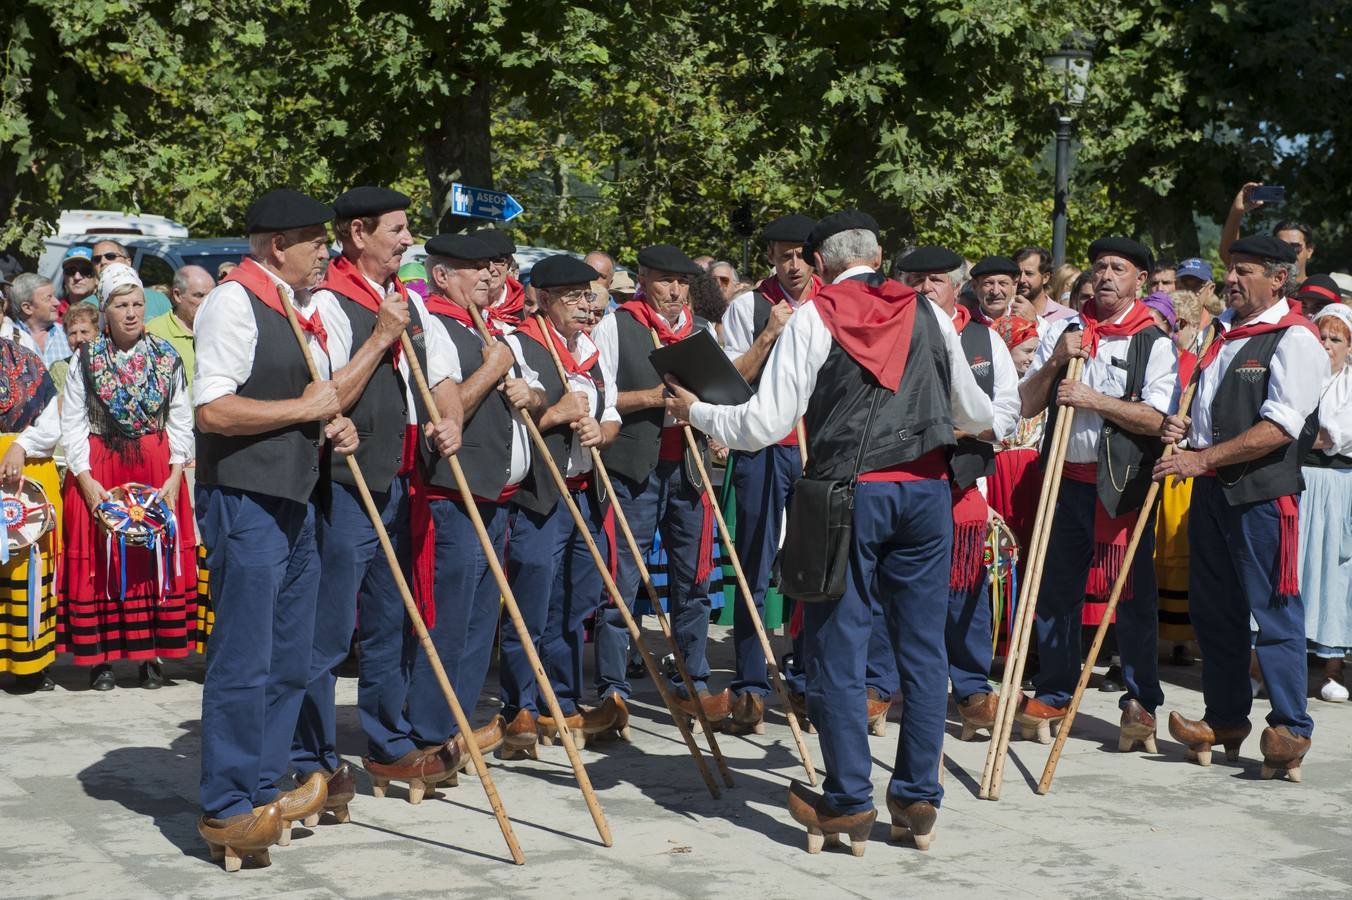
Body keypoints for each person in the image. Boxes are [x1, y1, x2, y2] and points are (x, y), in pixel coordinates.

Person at [666, 209, 993, 855]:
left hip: (849, 495)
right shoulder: (930, 313)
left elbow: (764, 424)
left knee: (839, 649)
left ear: (821, 263)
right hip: (928, 495)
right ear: (880, 254)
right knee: (923, 647)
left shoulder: (816, 313)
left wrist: (695, 410)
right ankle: (918, 796)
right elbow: (975, 413)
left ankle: (848, 803)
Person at [193, 189, 358, 869]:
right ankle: (227, 805)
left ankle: (264, 786)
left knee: (292, 653)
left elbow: (300, 404)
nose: (326, 249)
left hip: (296, 494)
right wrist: (305, 406)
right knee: (244, 655)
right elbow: (215, 411)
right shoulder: (233, 301)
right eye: (313, 239)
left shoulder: (293, 306)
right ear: (275, 246)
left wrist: (327, 422)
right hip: (246, 499)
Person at [295, 187, 464, 819]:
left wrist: (450, 421)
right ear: (358, 233)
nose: (408, 240)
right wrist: (382, 334)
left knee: (392, 619)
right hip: (342, 488)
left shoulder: (410, 302)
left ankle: (388, 741)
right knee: (329, 629)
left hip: (397, 482)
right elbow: (329, 390)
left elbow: (441, 376)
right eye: (398, 229)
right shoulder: (323, 302)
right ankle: (311, 755)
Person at [1157, 233, 1327, 782]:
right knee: (1215, 614)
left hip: (1260, 493)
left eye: (1244, 270)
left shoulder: (1295, 338)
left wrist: (1201, 460)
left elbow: (1280, 428)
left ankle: (1291, 728)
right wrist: (1186, 427)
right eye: (1231, 269)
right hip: (1210, 492)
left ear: (1279, 278)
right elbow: (1209, 408)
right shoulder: (1224, 332)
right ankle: (1226, 720)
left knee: (1274, 614)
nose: (1230, 279)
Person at [1015, 237, 1178, 752]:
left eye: (1119, 268)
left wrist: (1093, 398)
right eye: (1100, 266)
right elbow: (1026, 404)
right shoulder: (1064, 330)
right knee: (1056, 591)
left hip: (1121, 487)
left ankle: (1141, 700)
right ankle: (1056, 690)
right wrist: (1054, 363)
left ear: (1140, 281)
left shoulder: (1152, 341)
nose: (1106, 275)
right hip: (1064, 478)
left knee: (1131, 596)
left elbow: (1156, 418)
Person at [407, 231, 545, 771]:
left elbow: (538, 391)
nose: (491, 277)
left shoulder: (487, 324)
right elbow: (449, 410)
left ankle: (459, 724)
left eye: (494, 268)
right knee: (451, 618)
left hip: (499, 495)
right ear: (443, 275)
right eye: (476, 269)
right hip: (454, 493)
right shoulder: (434, 322)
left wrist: (526, 391)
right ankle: (428, 730)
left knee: (481, 621)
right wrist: (493, 368)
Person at [498, 255, 625, 759]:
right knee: (530, 602)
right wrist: (556, 413)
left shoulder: (592, 350)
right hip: (540, 493)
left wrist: (601, 430)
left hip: (584, 492)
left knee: (576, 602)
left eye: (588, 295)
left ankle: (563, 701)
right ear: (544, 299)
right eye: (571, 296)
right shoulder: (519, 345)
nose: (584, 305)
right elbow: (516, 423)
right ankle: (519, 708)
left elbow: (610, 411)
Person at [592, 243, 722, 722]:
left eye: (683, 281)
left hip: (688, 470)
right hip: (633, 471)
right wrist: (648, 397)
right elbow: (596, 400)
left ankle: (694, 680)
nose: (674, 290)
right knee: (620, 585)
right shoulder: (615, 325)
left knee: (694, 583)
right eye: (665, 280)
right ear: (643, 278)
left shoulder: (702, 332)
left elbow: (721, 396)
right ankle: (613, 691)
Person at [896, 246, 1020, 741]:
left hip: (962, 476)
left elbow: (1008, 409)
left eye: (935, 280)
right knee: (896, 586)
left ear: (955, 287)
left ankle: (970, 689)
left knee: (966, 584)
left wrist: (971, 430)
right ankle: (881, 686)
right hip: (902, 475)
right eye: (915, 279)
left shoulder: (985, 340)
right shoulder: (890, 331)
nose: (925, 288)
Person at [56, 263, 196, 691]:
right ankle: (100, 659)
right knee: (103, 560)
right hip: (100, 467)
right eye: (121, 305)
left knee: (149, 556)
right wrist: (85, 479)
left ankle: (150, 655)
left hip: (155, 468)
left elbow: (180, 418)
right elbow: (74, 422)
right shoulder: (87, 358)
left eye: (137, 303)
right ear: (106, 310)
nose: (131, 312)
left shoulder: (165, 357)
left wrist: (175, 475)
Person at [716, 213, 820, 730]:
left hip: (815, 448)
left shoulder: (833, 302)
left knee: (812, 566)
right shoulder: (748, 305)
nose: (794, 263)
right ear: (772, 258)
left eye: (802, 253)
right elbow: (732, 380)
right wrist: (769, 335)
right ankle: (751, 684)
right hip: (761, 443)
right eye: (784, 254)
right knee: (754, 563)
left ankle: (804, 680)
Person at [0, 333, 61, 693]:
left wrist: (20, 446)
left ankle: (31, 664)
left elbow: (51, 426)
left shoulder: (28, 363)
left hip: (27, 474)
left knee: (27, 569)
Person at [1298, 304, 1352, 702]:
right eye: (1323, 336)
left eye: (1336, 339)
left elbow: (1335, 435)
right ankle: (1261, 666)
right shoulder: (1302, 377)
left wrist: (1290, 434)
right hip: (1296, 479)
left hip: (1336, 483)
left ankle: (1332, 669)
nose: (1328, 345)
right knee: (1290, 568)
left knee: (1333, 571)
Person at [1220, 183, 1315, 283]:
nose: (1288, 252)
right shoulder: (1262, 284)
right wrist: (1237, 212)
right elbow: (1231, 255)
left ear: (1309, 250)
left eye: (1295, 247)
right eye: (1281, 246)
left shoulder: (1321, 291)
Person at [146, 265, 214, 396]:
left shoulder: (222, 326)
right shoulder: (155, 332)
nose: (207, 302)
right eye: (199, 295)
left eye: (211, 295)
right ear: (177, 295)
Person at [89, 240, 172, 319]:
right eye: (96, 259)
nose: (103, 262)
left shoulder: (158, 299)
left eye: (110, 256)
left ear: (128, 262)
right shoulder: (86, 305)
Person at [9, 273, 72, 368]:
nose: (57, 303)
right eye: (48, 298)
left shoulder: (68, 334)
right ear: (27, 308)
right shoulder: (8, 339)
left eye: (54, 296)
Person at [475, 229, 525, 325]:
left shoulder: (526, 308)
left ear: (509, 264)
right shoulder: (457, 305)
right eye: (482, 260)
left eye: (498, 260)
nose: (490, 268)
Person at [1014, 247, 1076, 324]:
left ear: (1045, 277)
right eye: (1018, 274)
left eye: (1029, 274)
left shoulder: (1069, 318)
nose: (1021, 280)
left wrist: (1035, 322)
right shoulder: (1004, 313)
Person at [49, 305, 100, 394]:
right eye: (73, 333)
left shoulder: (111, 363)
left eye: (84, 332)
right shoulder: (60, 369)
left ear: (97, 332)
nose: (79, 339)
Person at [969, 256, 1022, 321]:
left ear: (1014, 285)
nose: (995, 292)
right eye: (988, 283)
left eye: (1002, 283)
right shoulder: (964, 324)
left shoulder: (1025, 323)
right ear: (975, 287)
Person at [60, 246, 98, 314]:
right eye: (71, 270)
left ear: (97, 279)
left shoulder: (106, 313)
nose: (77, 277)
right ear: (64, 276)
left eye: (86, 271)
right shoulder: (52, 311)